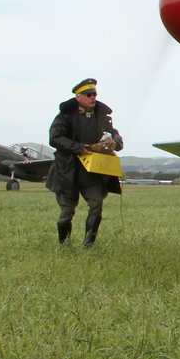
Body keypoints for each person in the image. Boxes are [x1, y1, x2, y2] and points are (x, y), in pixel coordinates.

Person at [45, 78, 123, 246]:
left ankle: (89, 245)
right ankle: (64, 246)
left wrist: (115, 142)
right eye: (88, 94)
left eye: (94, 94)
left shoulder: (101, 116)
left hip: (93, 171)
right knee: (66, 212)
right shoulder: (65, 116)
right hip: (68, 170)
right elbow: (55, 138)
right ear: (78, 97)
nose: (92, 97)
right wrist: (79, 148)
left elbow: (115, 134)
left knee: (96, 205)